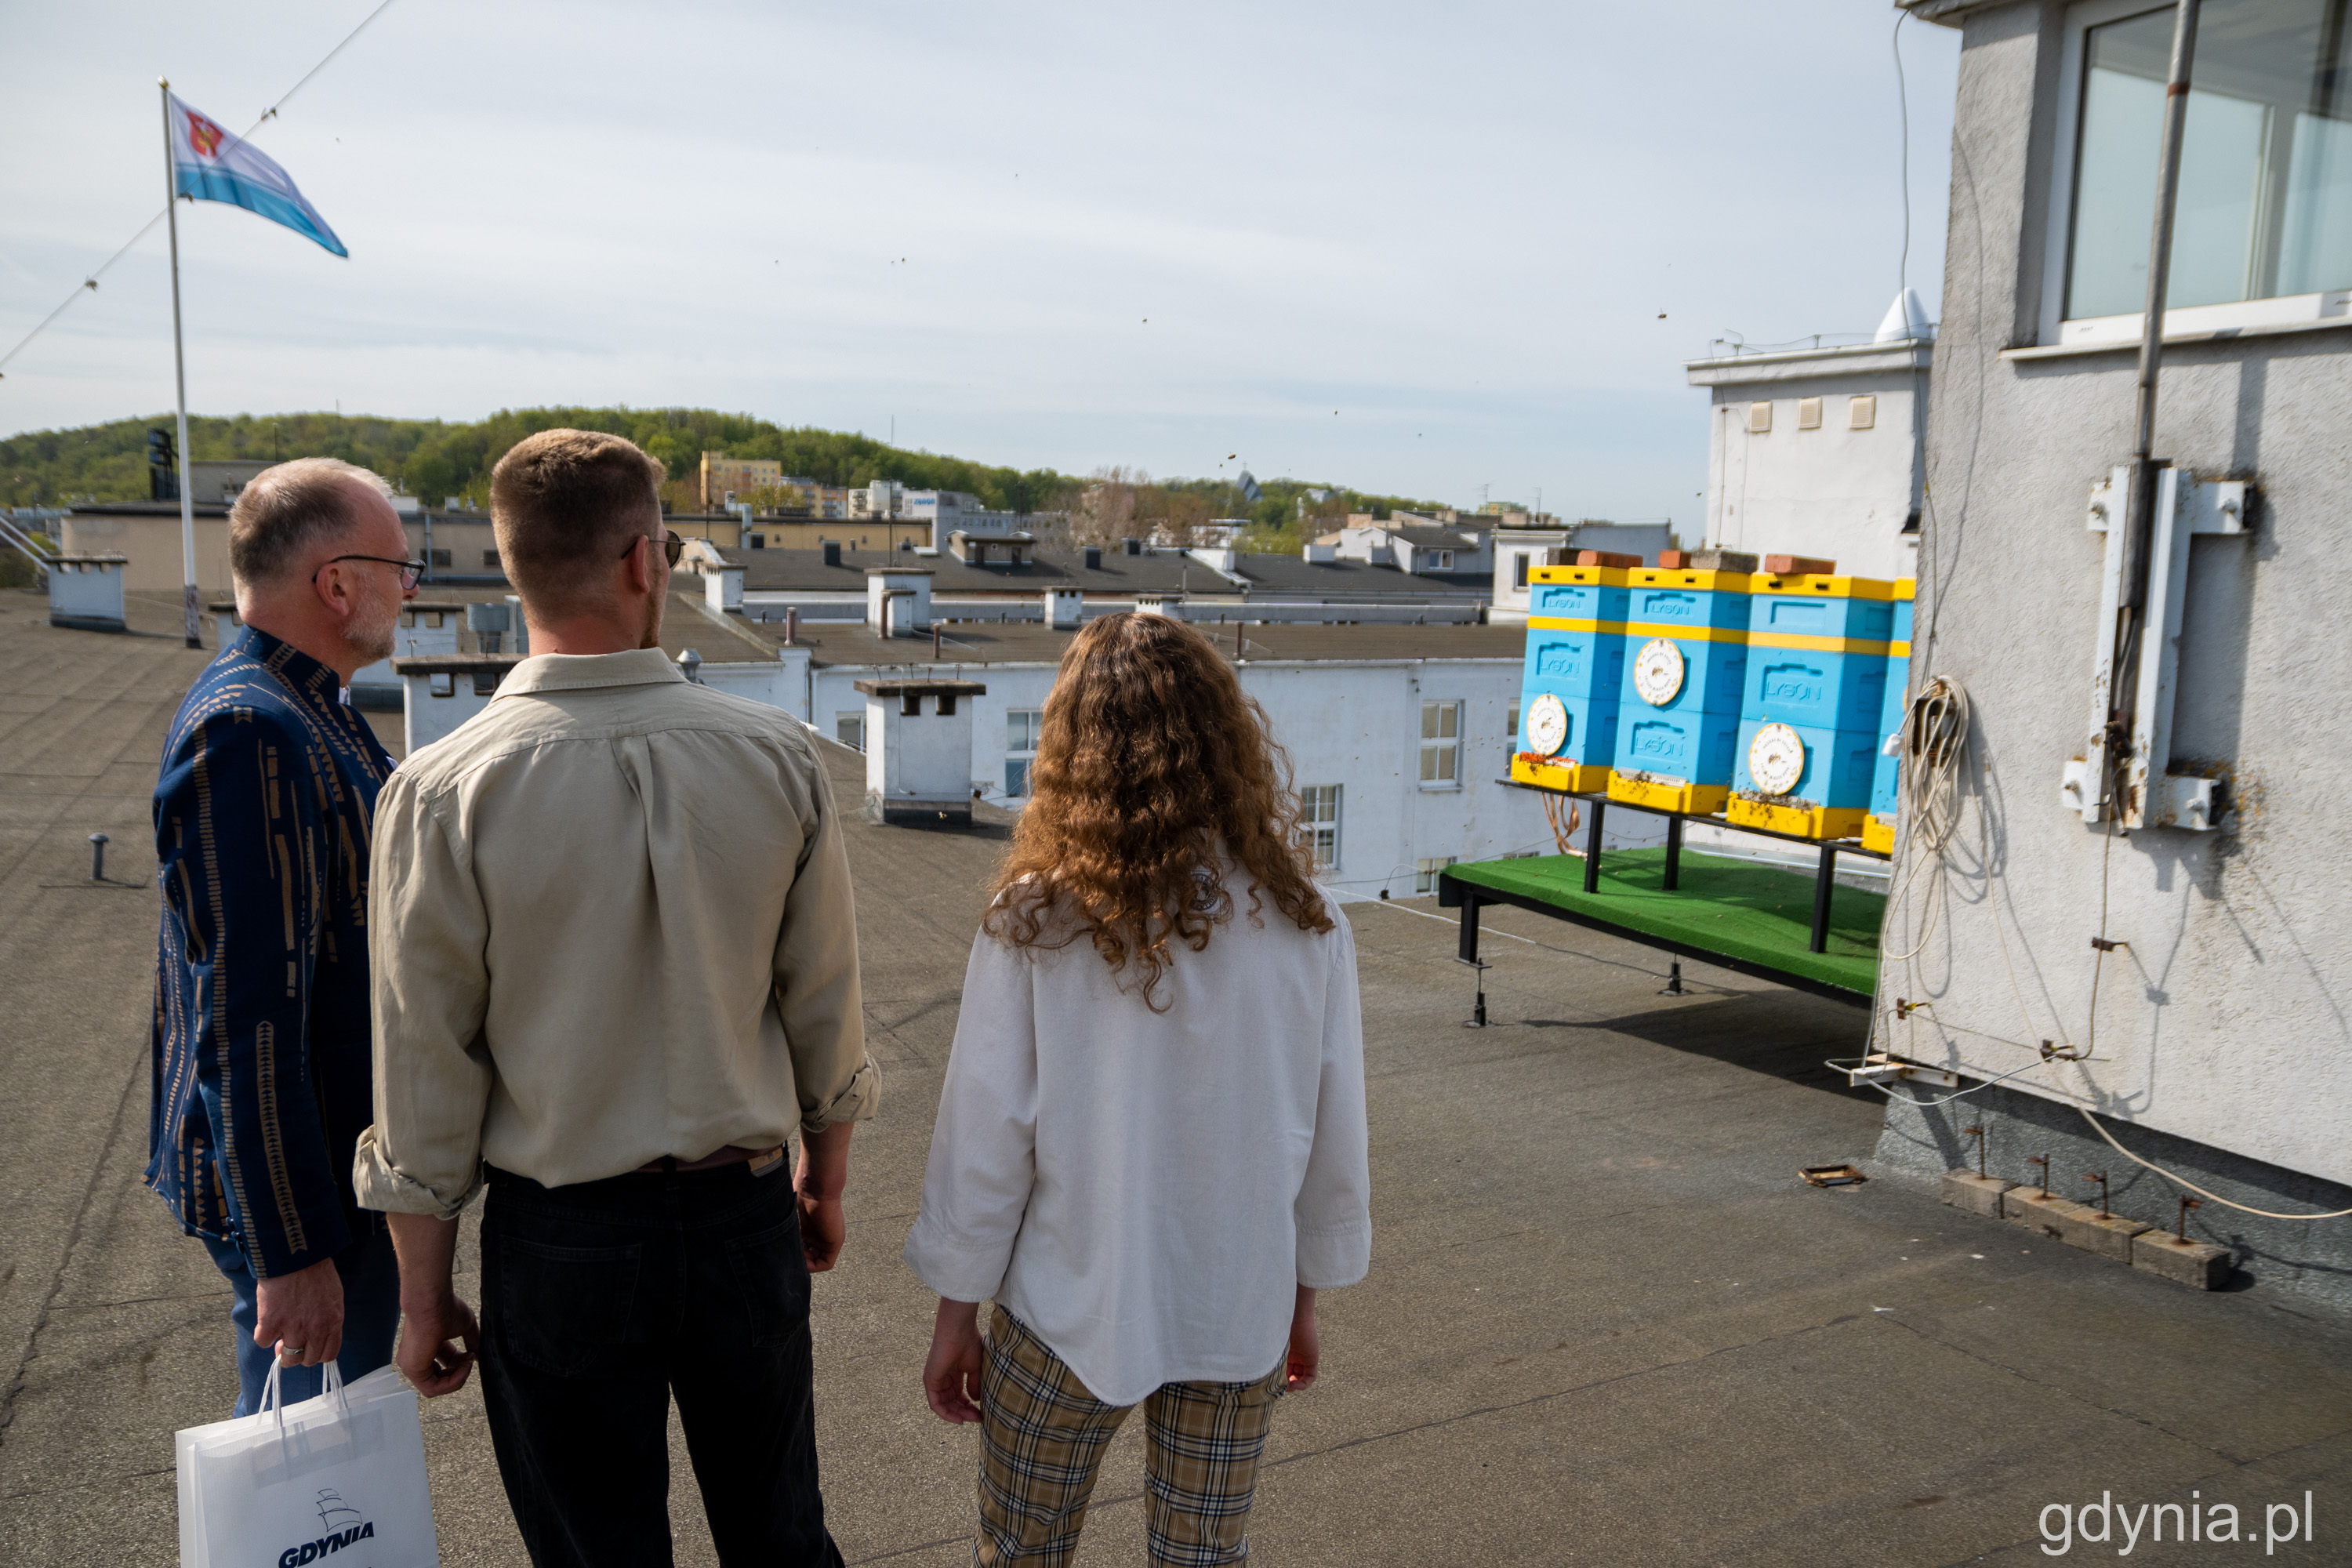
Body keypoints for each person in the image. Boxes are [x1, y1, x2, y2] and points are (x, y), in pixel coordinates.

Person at [354, 428, 876, 1568]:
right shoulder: (780, 758)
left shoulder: (440, 792)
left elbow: (425, 1067)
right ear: (648, 561)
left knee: (598, 1556)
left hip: (563, 1240)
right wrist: (823, 1178)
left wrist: (423, 1295)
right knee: (783, 1539)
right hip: (743, 1221)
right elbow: (823, 1001)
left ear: (510, 568)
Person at [906, 611, 1371, 1568]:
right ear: (1225, 736)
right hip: (1235, 1304)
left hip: (1065, 1308)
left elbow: (985, 1137)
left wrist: (957, 1313)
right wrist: (1305, 1295)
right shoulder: (1308, 922)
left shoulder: (1035, 917)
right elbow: (1332, 1136)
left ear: (1075, 746)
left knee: (1021, 1550)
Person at [150, 457, 420, 1414]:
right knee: (313, 1493)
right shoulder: (251, 731)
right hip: (310, 1199)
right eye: (399, 564)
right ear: (337, 581)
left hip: (340, 1178)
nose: (411, 586)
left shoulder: (312, 706)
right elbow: (246, 1016)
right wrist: (291, 1251)